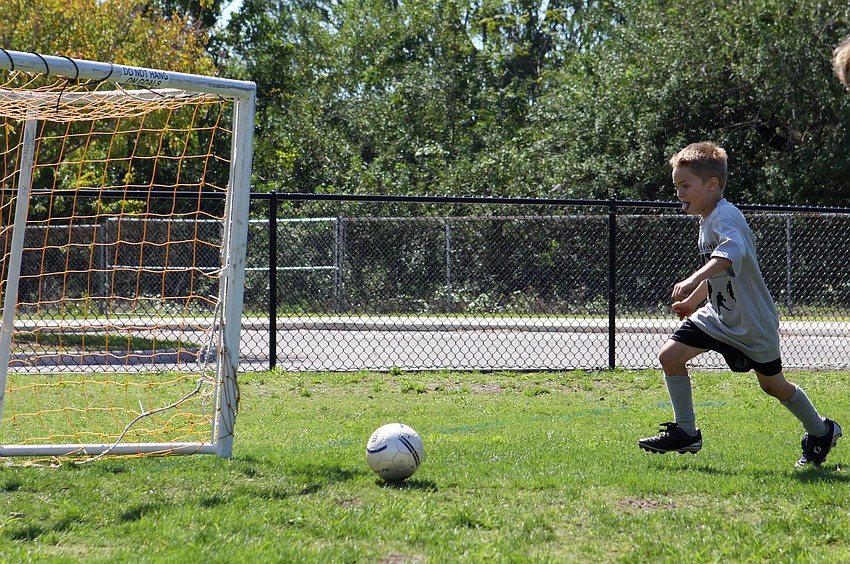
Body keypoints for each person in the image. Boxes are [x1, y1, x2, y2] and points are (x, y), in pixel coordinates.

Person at [638, 141, 841, 467]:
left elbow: (732, 254)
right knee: (670, 356)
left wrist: (691, 280)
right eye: (676, 186)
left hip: (751, 322)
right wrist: (694, 299)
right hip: (718, 315)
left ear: (712, 184)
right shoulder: (707, 221)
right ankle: (686, 432)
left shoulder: (724, 216)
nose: (679, 193)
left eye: (685, 186)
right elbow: (721, 271)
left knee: (773, 386)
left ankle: (820, 431)